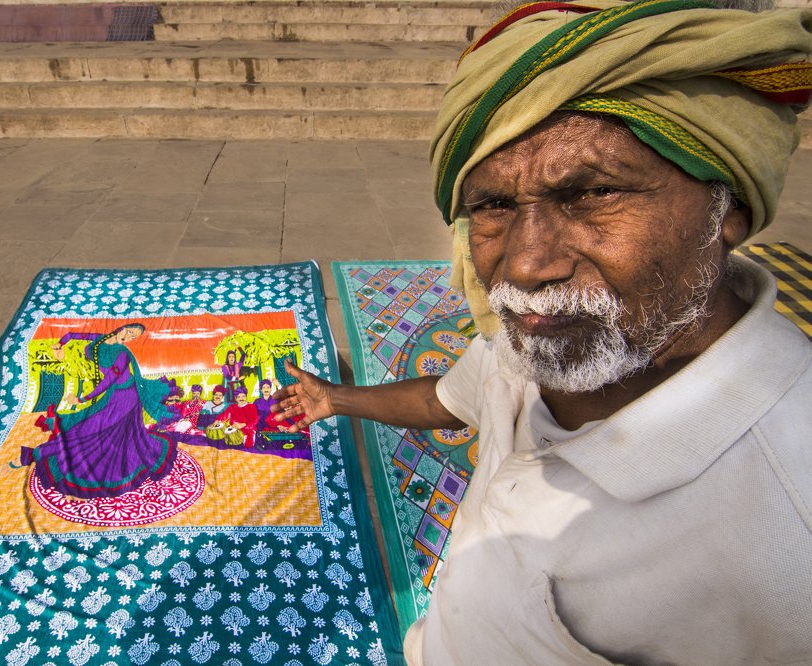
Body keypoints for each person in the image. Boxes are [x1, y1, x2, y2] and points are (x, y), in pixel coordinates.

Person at [273, 1, 812, 663]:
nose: (527, 265)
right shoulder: (524, 347)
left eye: (595, 193)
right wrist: (335, 399)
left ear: (727, 207)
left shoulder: (789, 532)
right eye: (494, 205)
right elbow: (445, 401)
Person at [0, 323, 180, 499]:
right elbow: (71, 335)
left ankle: (23, 459)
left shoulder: (122, 353)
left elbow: (108, 381)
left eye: (134, 337)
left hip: (126, 398)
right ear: (122, 327)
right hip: (112, 396)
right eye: (129, 332)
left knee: (86, 431)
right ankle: (28, 458)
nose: (129, 337)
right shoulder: (100, 339)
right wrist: (60, 346)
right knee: (92, 431)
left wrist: (82, 399)